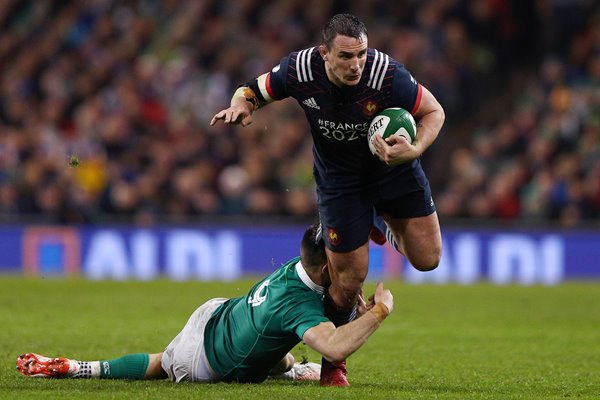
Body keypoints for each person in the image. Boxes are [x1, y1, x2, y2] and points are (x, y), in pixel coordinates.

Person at [210, 13, 444, 385]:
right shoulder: (299, 70)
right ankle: (334, 364)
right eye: (347, 57)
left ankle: (378, 219)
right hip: (341, 181)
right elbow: (250, 89)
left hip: (394, 167)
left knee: (428, 259)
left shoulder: (387, 74)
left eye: (361, 55)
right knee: (349, 278)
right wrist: (242, 106)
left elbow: (433, 111)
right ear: (324, 53)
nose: (356, 65)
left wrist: (414, 150)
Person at [16, 224, 394, 386]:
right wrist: (379, 312)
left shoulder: (301, 268)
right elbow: (335, 345)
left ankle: (293, 369)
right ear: (328, 266)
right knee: (163, 364)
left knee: (277, 354)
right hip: (206, 358)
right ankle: (78, 367)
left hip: (219, 312)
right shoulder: (298, 305)